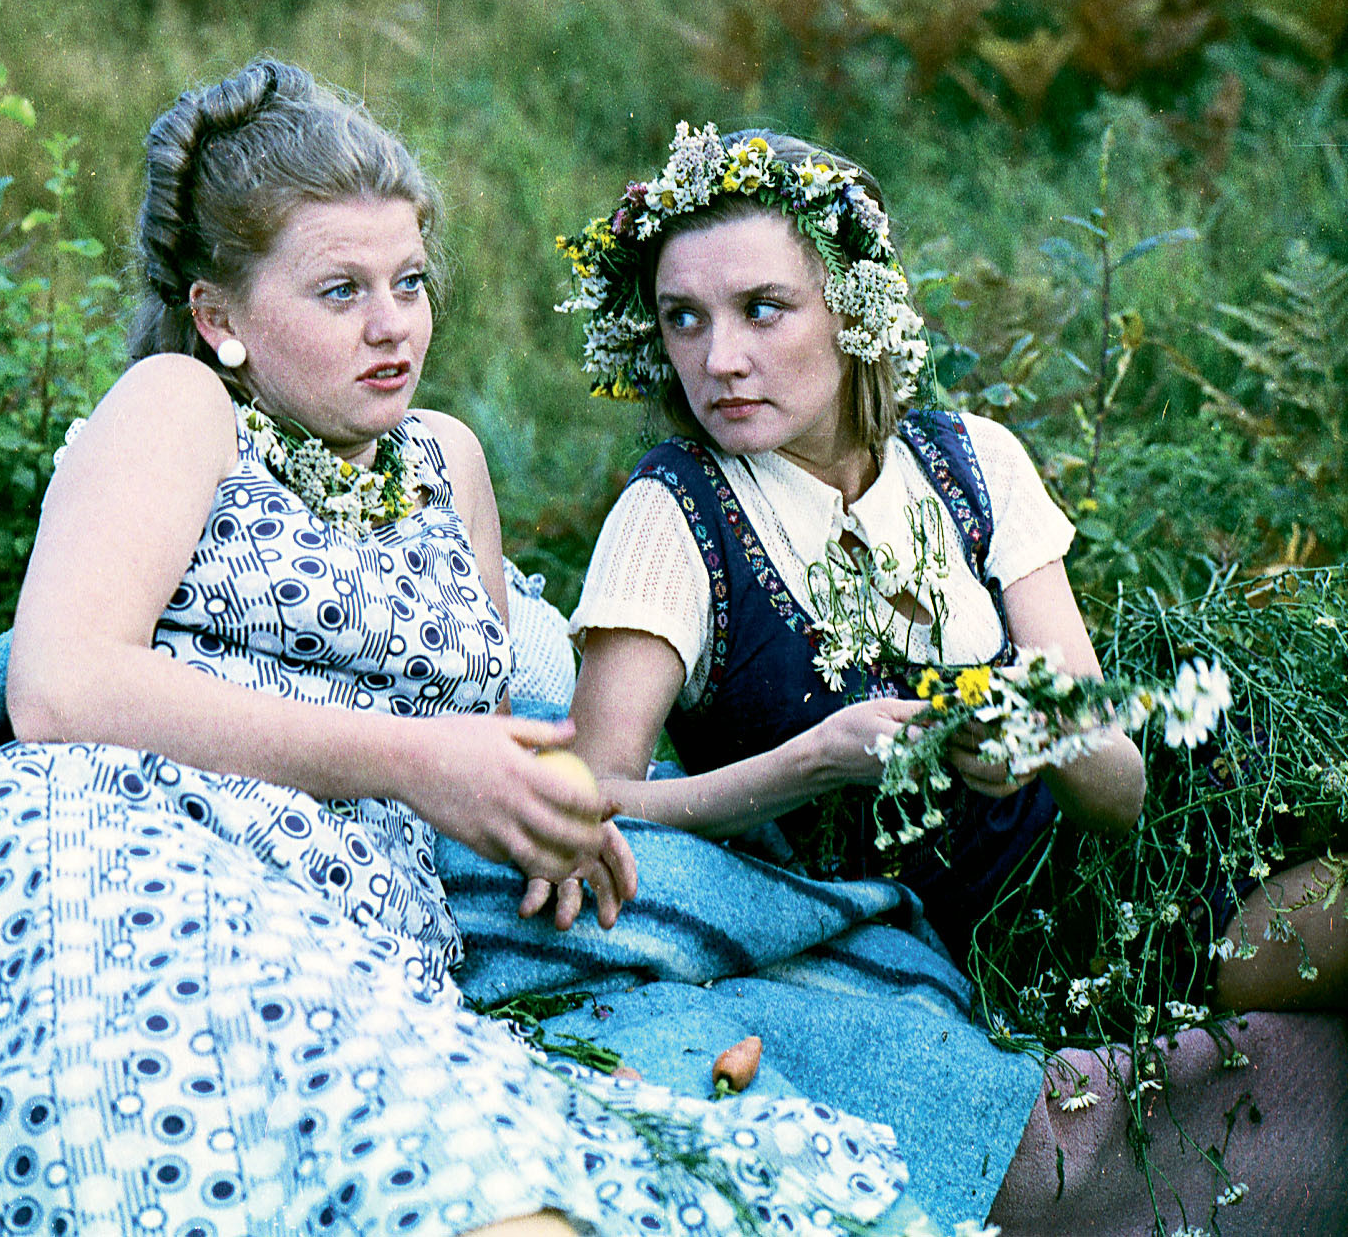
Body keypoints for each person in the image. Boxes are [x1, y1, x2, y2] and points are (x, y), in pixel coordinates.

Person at [0, 69, 915, 1237]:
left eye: (409, 281)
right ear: (219, 316)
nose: (392, 324)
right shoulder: (180, 405)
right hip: (113, 846)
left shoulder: (448, 461)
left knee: (483, 1175)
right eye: (339, 290)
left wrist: (553, 811)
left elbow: (485, 741)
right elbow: (60, 684)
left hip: (347, 922)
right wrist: (414, 759)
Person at [536, 121, 1347, 1015]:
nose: (718, 360)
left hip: (1150, 861)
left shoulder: (975, 462)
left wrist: (1046, 739)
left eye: (761, 308)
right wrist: (813, 763)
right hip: (996, 957)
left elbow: (1121, 795)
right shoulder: (673, 511)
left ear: (853, 309)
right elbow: (585, 800)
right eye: (682, 317)